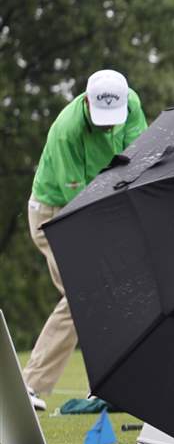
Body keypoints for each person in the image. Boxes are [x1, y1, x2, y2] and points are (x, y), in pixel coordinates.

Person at [23, 69, 147, 411]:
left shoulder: (131, 104)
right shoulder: (66, 133)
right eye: (102, 118)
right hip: (55, 212)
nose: (109, 127)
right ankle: (29, 385)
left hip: (99, 203)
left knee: (114, 291)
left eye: (114, 119)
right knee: (84, 296)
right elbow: (78, 205)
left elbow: (140, 158)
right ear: (87, 101)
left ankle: (113, 384)